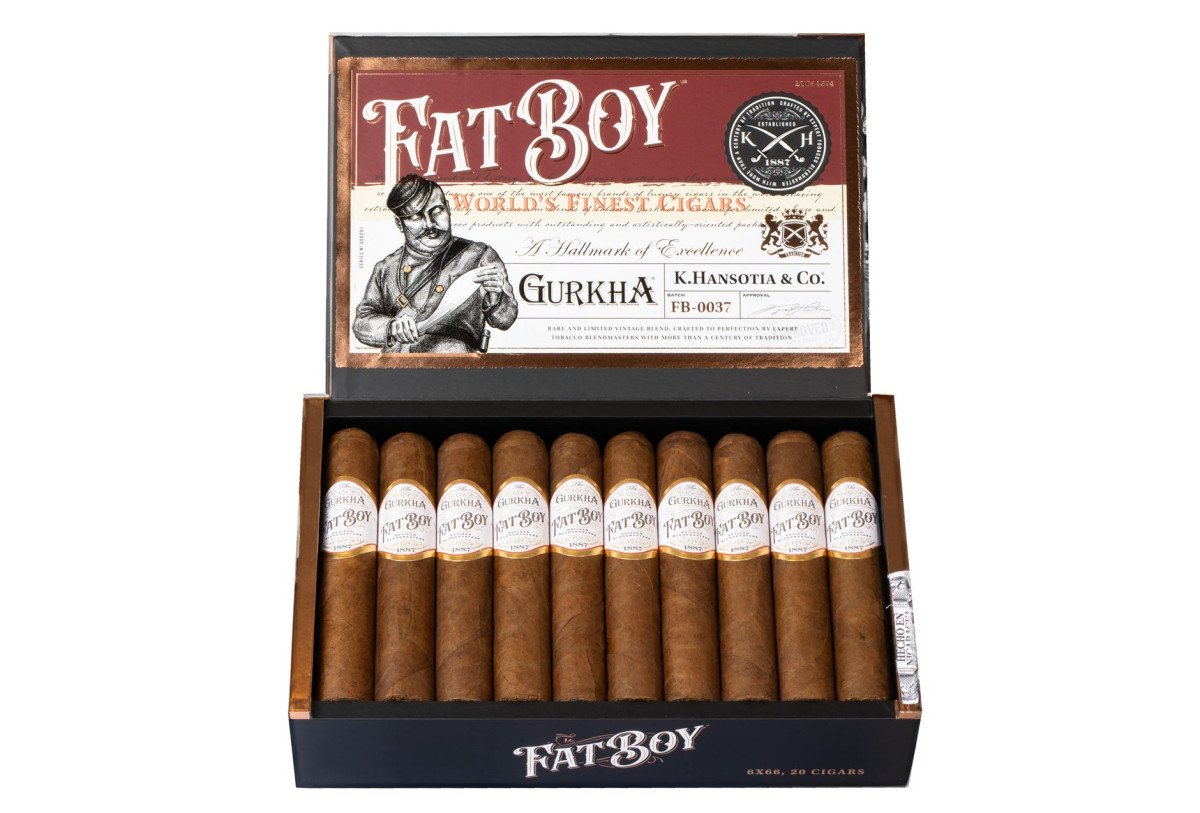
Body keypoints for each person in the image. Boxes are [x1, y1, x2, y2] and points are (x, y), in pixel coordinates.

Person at [353, 175, 517, 352]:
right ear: (399, 224)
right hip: (396, 363)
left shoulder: (479, 255)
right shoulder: (385, 268)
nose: (430, 224)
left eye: (437, 211)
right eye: (416, 217)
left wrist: (495, 298)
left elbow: (505, 320)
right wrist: (392, 327)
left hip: (453, 362)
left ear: (448, 209)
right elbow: (362, 322)